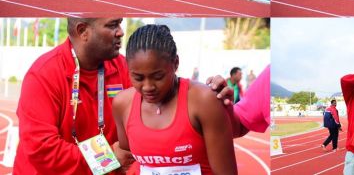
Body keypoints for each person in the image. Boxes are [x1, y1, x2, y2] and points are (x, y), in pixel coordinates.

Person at [14, 18, 135, 174]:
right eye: (112, 25)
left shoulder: (124, 68)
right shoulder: (43, 74)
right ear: (82, 31)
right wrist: (107, 157)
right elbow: (42, 151)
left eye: (119, 23)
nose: (120, 32)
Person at [112, 24, 237, 174]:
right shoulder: (122, 104)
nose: (147, 87)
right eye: (138, 77)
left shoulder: (203, 101)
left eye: (158, 77)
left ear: (176, 63)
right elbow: (127, 151)